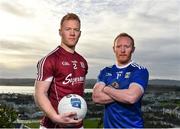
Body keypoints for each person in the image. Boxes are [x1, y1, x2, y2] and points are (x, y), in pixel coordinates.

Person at [34, 13, 88, 129]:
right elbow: (39, 94)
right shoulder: (50, 59)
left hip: (78, 125)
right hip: (52, 125)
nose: (72, 33)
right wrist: (55, 117)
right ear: (60, 32)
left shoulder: (83, 61)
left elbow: (79, 92)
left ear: (80, 34)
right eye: (68, 29)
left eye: (76, 30)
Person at [92, 33, 149, 128]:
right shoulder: (106, 71)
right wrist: (123, 93)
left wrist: (107, 89)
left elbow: (131, 97)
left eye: (126, 46)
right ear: (114, 49)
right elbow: (96, 97)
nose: (122, 50)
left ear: (133, 49)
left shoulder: (139, 70)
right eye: (118, 46)